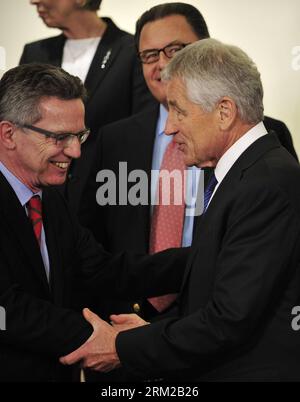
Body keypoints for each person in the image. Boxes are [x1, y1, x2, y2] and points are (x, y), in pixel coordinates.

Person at [61, 39, 300, 381]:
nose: (169, 127)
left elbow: (227, 321)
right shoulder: (244, 174)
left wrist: (123, 346)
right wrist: (143, 334)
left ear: (224, 112)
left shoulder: (266, 184)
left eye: (179, 110)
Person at [79, 1, 298, 321]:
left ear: (206, 50)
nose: (162, 65)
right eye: (149, 56)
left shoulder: (260, 137)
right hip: (124, 330)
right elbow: (91, 245)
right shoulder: (112, 140)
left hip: (223, 326)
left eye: (175, 49)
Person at [0, 63, 187, 382]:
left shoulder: (52, 195)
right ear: (9, 134)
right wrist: (113, 342)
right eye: (60, 137)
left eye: (80, 135)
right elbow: (10, 310)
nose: (75, 151)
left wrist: (205, 255)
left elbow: (102, 270)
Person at [20, 0, 155, 214]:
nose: (34, 1)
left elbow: (142, 130)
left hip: (110, 198)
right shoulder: (35, 52)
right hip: (43, 200)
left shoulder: (131, 51)